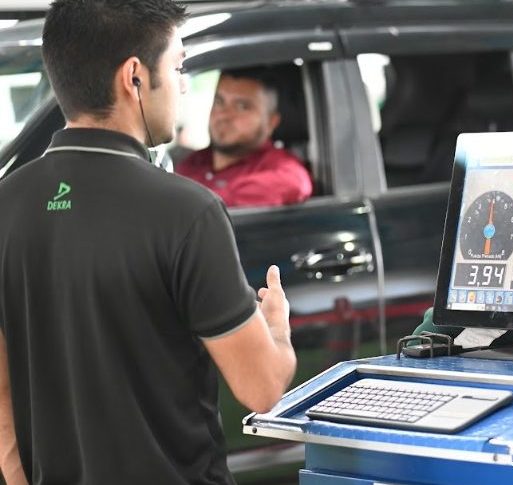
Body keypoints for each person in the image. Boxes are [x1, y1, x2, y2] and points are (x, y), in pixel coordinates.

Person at [0, 2, 296, 484]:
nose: (184, 86)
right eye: (178, 68)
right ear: (134, 77)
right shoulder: (188, 211)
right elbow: (262, 388)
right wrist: (276, 327)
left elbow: (2, 385)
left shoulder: (6, 202)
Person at [176, 69, 313, 207]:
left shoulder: (280, 168)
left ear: (271, 122)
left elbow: (295, 184)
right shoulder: (192, 162)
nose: (223, 115)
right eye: (219, 101)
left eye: (242, 106)